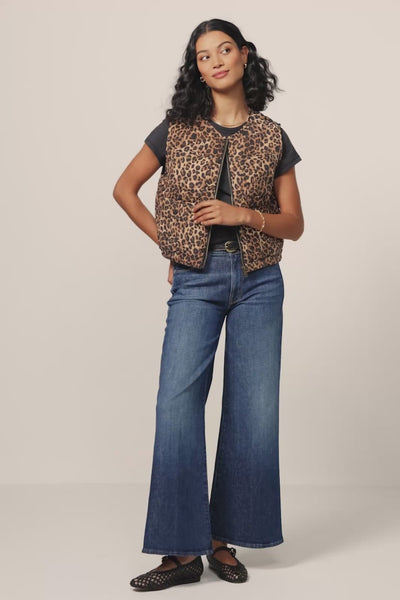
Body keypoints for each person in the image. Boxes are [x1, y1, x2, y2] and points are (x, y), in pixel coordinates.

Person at [113, 18, 304, 591]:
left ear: (244, 56)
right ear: (196, 69)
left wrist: (243, 215)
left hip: (260, 281)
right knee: (176, 405)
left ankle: (223, 541)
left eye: (224, 50)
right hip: (196, 280)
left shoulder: (272, 136)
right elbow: (125, 189)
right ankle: (180, 553)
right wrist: (172, 244)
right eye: (203, 55)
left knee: (253, 412)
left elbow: (294, 224)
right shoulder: (176, 129)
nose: (215, 61)